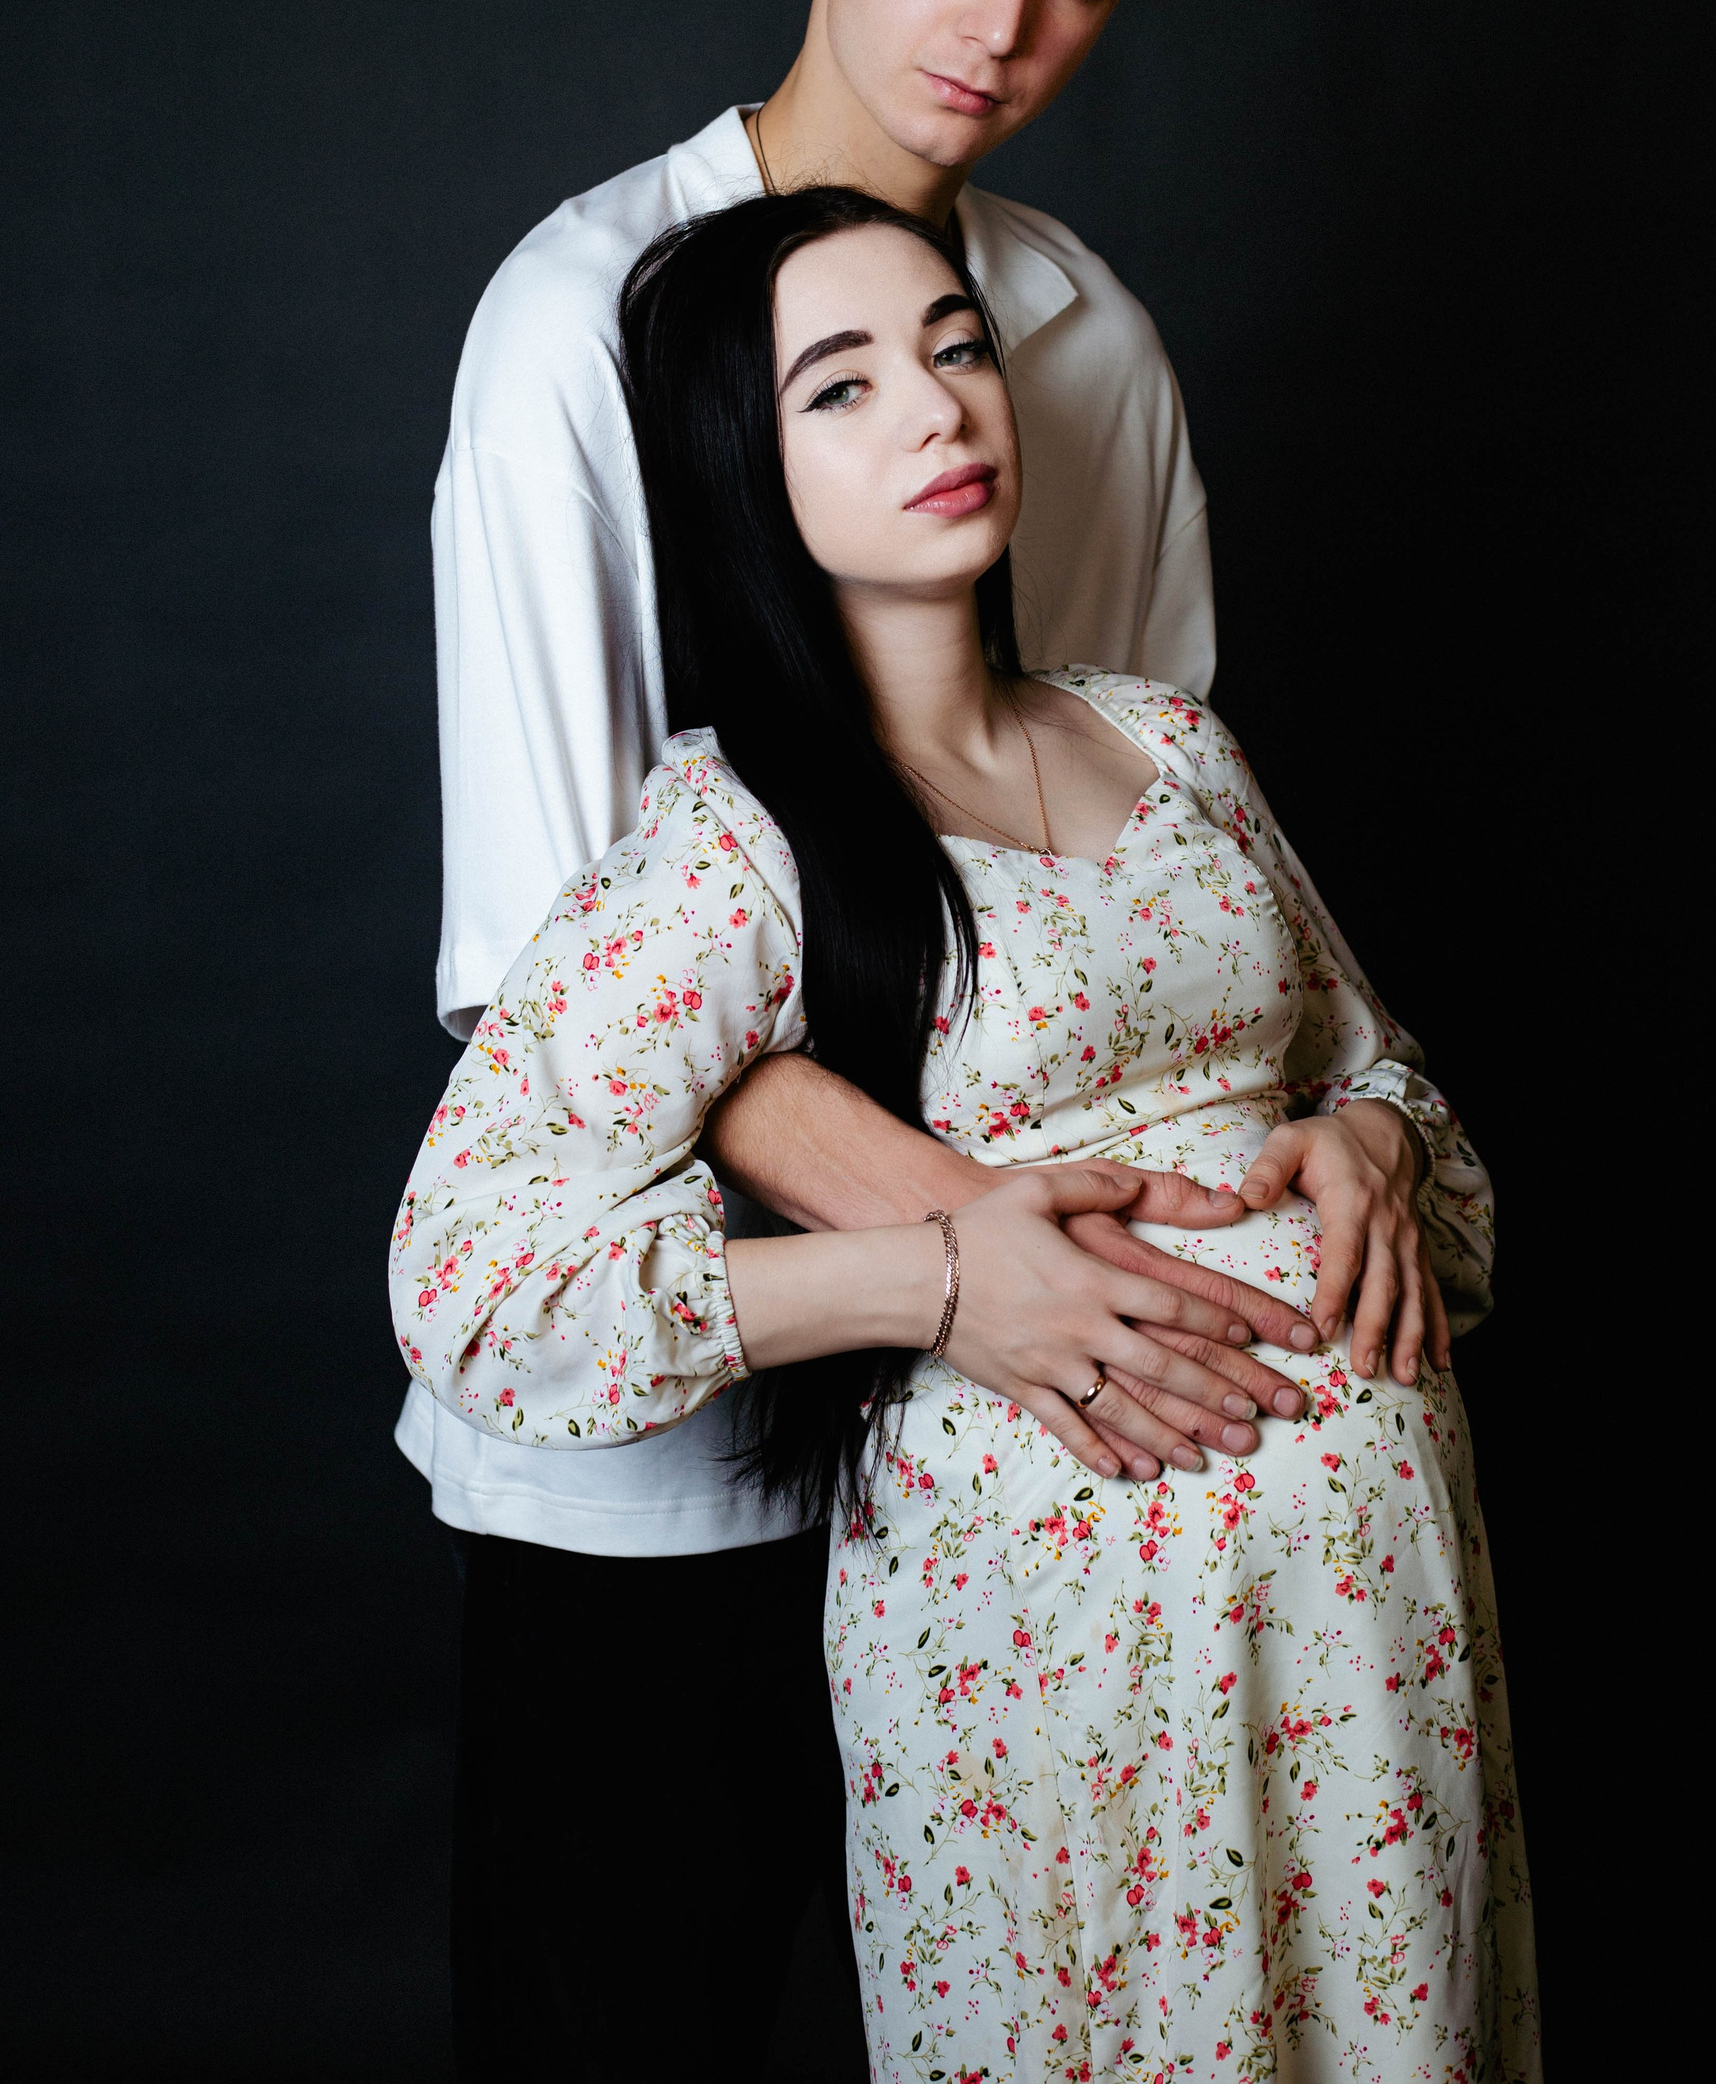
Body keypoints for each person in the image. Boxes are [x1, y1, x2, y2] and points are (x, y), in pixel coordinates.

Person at [403, 0, 1375, 2074]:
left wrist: (1315, 1161)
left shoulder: (1083, 345)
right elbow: (566, 989)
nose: (1006, 22)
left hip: (1040, 1482)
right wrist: (989, 1276)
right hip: (697, 1445)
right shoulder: (579, 327)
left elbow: (1158, 896)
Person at [391, 187, 1539, 2080]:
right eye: (839, 386)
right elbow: (474, 1278)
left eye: (956, 347)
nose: (937, 408)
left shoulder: (1172, 747)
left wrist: (1371, 1148)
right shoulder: (733, 844)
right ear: (742, 471)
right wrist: (930, 1280)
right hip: (1055, 1652)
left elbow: (1394, 1080)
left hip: (1377, 1642)